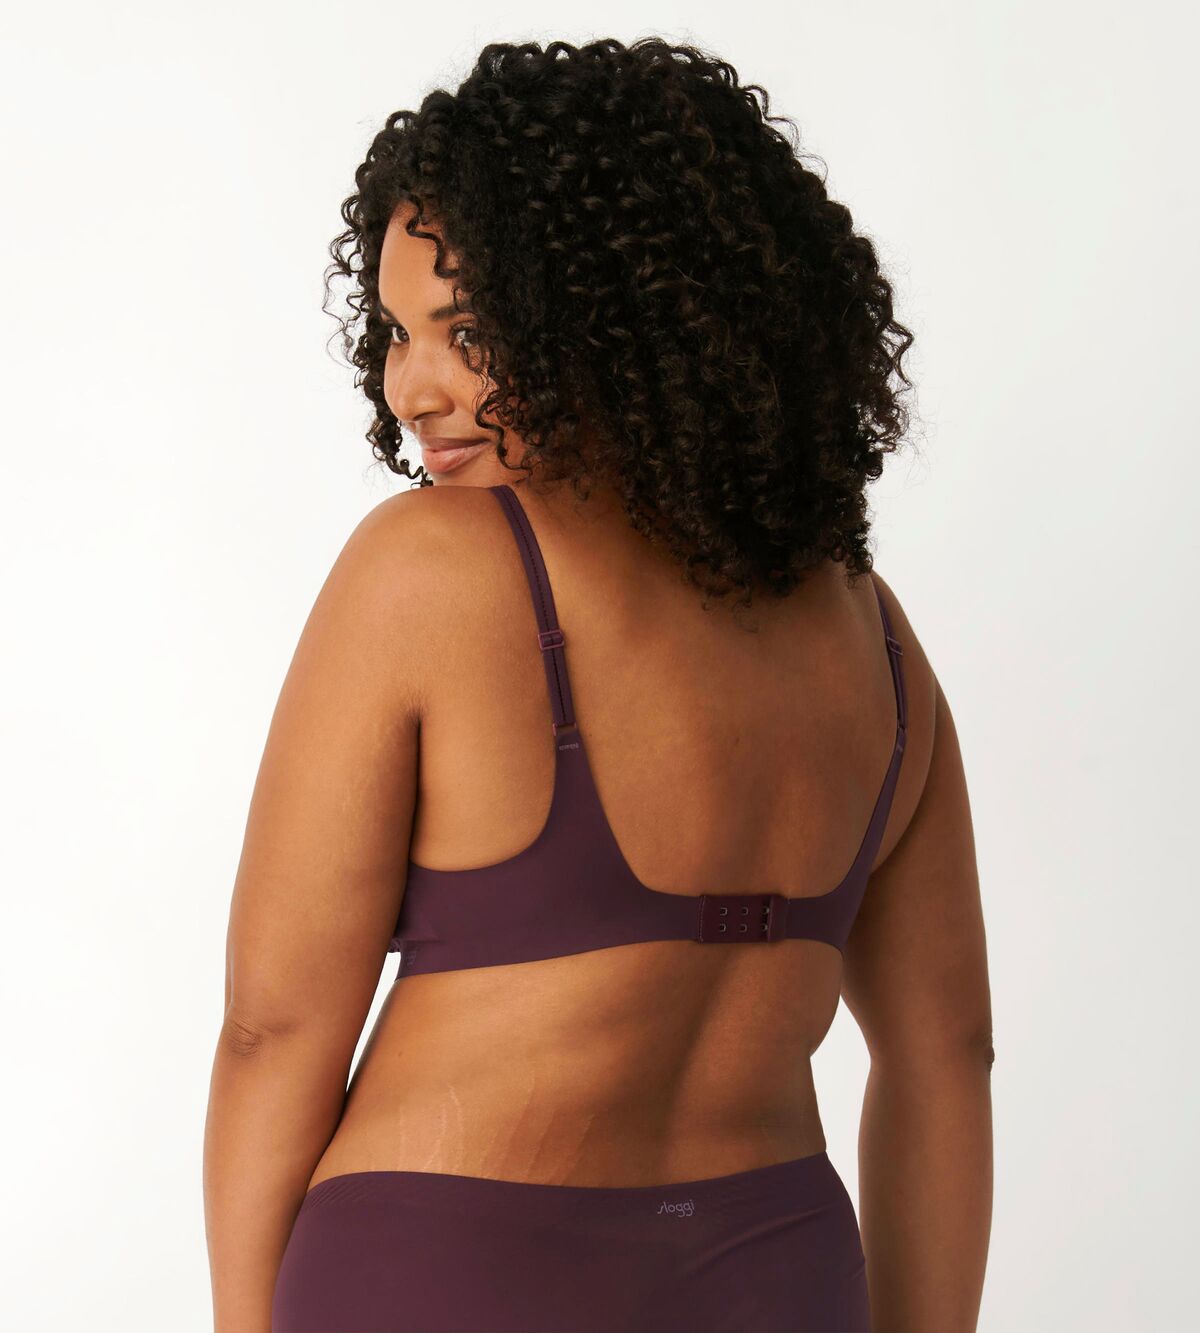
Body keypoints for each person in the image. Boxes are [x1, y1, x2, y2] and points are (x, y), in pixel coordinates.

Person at [204, 36, 993, 1333]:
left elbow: (272, 1032)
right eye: (397, 333)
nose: (411, 388)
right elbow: (944, 1055)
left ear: (623, 312)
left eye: (467, 332)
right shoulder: (878, 641)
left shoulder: (431, 568)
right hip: (778, 1278)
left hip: (450, 1272)